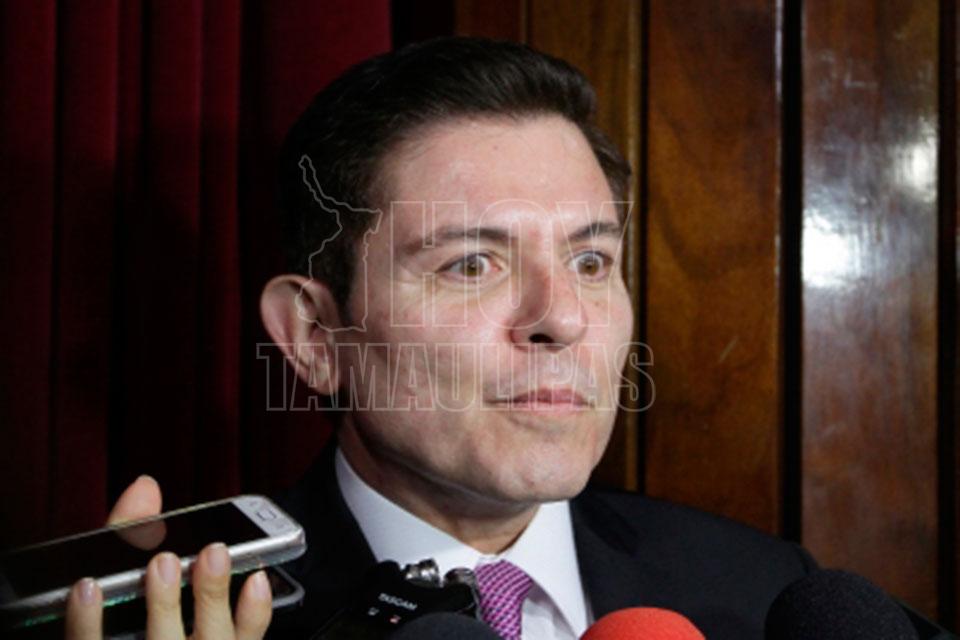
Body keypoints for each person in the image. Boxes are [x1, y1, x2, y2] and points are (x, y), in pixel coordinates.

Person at [64, 37, 817, 639]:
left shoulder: (768, 597)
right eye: (471, 265)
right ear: (316, 335)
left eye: (590, 261)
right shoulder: (185, 620)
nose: (563, 319)